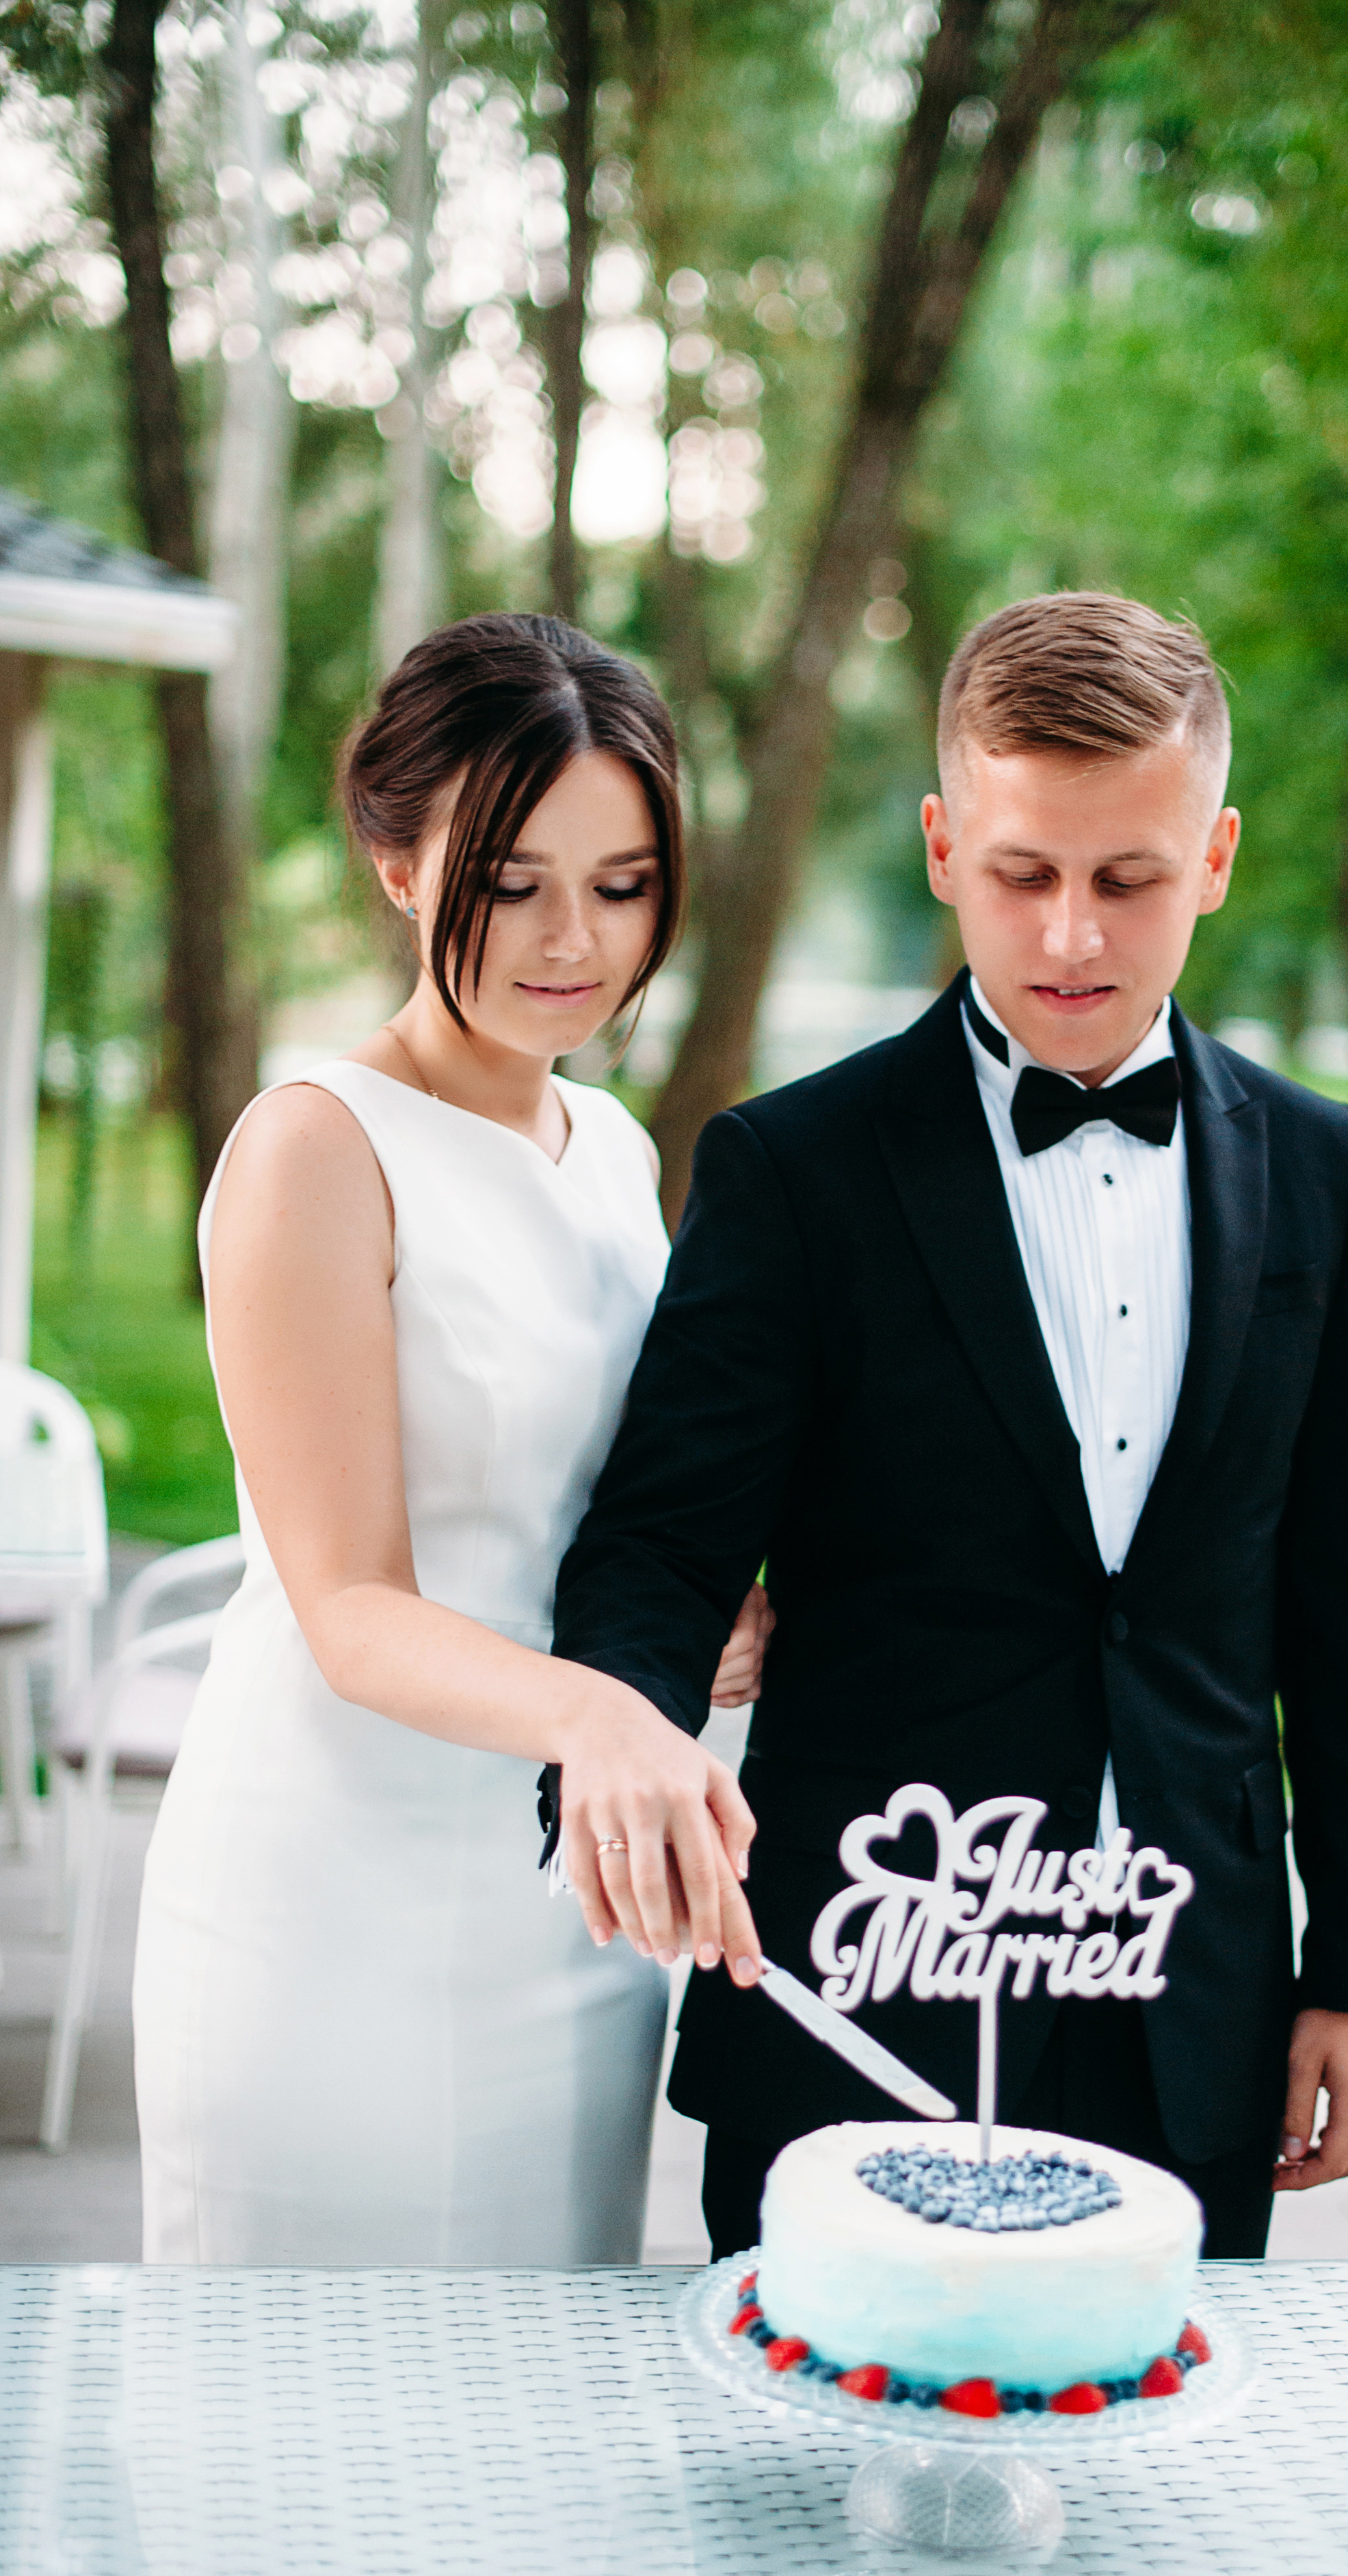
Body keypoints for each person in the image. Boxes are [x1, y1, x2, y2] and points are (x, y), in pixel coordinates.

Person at [544, 592, 1348, 2263]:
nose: (1074, 938)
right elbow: (664, 1546)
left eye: (1129, 879)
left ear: (1218, 858)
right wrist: (613, 1768)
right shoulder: (793, 1169)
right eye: (1026, 875)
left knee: (1147, 2488)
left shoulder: (1318, 1162)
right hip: (859, 1980)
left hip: (1194, 1987)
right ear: (948, 848)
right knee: (813, 2490)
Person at [133, 612, 767, 2267]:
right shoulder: (316, 1151)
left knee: (538, 2458)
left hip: (570, 1902)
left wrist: (716, 1625)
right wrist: (607, 1716)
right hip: (336, 1905)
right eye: (510, 882)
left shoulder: (613, 1149)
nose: (573, 939)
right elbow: (350, 1606)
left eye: (622, 885)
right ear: (399, 858)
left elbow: (588, 1502)